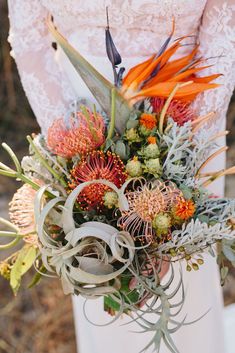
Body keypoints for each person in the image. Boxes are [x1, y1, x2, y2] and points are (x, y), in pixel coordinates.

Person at [7, 1, 235, 352]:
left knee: (186, 286)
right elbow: (28, 40)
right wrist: (74, 152)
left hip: (186, 118)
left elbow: (223, 32)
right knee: (99, 278)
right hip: (76, 122)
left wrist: (180, 165)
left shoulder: (186, 144)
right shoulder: (74, 143)